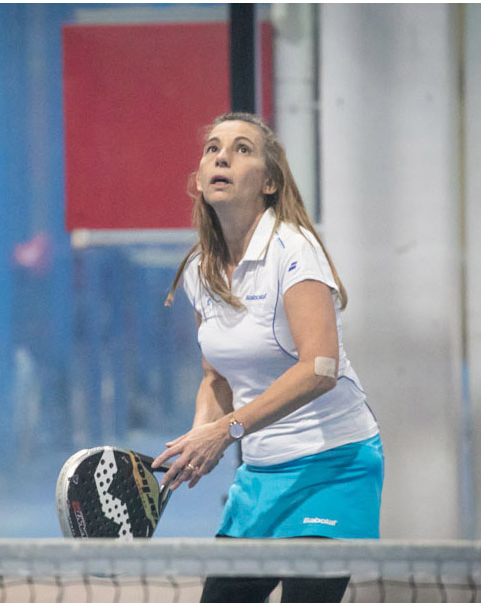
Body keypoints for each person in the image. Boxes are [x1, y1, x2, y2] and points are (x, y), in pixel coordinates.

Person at [152, 112, 384, 603]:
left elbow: (320, 369)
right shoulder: (200, 269)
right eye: (213, 148)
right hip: (260, 476)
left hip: (333, 466)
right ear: (200, 180)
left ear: (270, 182)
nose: (223, 156)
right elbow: (216, 376)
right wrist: (200, 437)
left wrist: (226, 431)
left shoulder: (293, 250)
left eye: (242, 149)